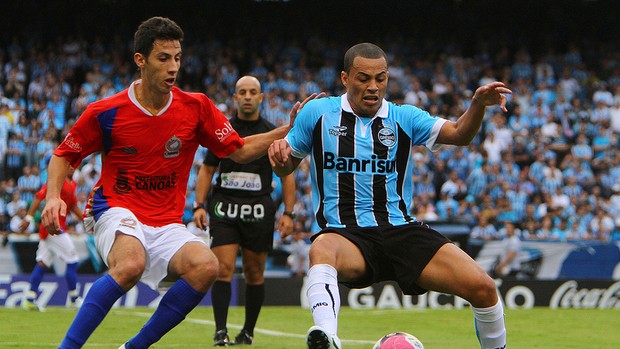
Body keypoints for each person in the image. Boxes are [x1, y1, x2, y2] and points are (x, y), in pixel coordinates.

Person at [40, 17, 318, 349]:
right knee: (130, 264)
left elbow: (239, 151)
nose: (173, 67)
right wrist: (53, 196)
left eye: (177, 57)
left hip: (165, 220)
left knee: (206, 267)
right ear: (140, 60)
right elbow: (64, 155)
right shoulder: (106, 111)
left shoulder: (196, 107)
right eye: (163, 58)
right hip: (116, 206)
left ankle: (133, 347)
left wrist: (286, 130)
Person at [268, 43, 511, 349]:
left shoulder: (404, 117)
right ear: (345, 78)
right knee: (322, 247)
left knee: (484, 288)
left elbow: (460, 133)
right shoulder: (317, 112)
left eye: (380, 79)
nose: (373, 87)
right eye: (363, 78)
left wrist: (477, 104)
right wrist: (279, 160)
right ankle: (327, 338)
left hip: (400, 230)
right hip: (347, 235)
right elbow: (287, 162)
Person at [192, 76, 297, 346]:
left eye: (253, 92)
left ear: (261, 98)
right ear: (235, 97)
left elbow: (287, 174)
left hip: (259, 209)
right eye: (242, 92)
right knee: (222, 268)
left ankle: (248, 332)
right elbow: (207, 169)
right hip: (224, 206)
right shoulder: (223, 130)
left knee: (254, 272)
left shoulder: (273, 131)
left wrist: (289, 212)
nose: (248, 96)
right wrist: (199, 204)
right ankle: (220, 331)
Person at [20, 167, 83, 311]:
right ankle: (74, 299)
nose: (73, 168)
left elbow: (73, 206)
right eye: (70, 165)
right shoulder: (56, 181)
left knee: (43, 262)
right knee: (72, 259)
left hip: (52, 228)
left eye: (75, 165)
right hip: (53, 227)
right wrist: (29, 217)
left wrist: (86, 221)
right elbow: (38, 197)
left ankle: (29, 298)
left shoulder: (72, 184)